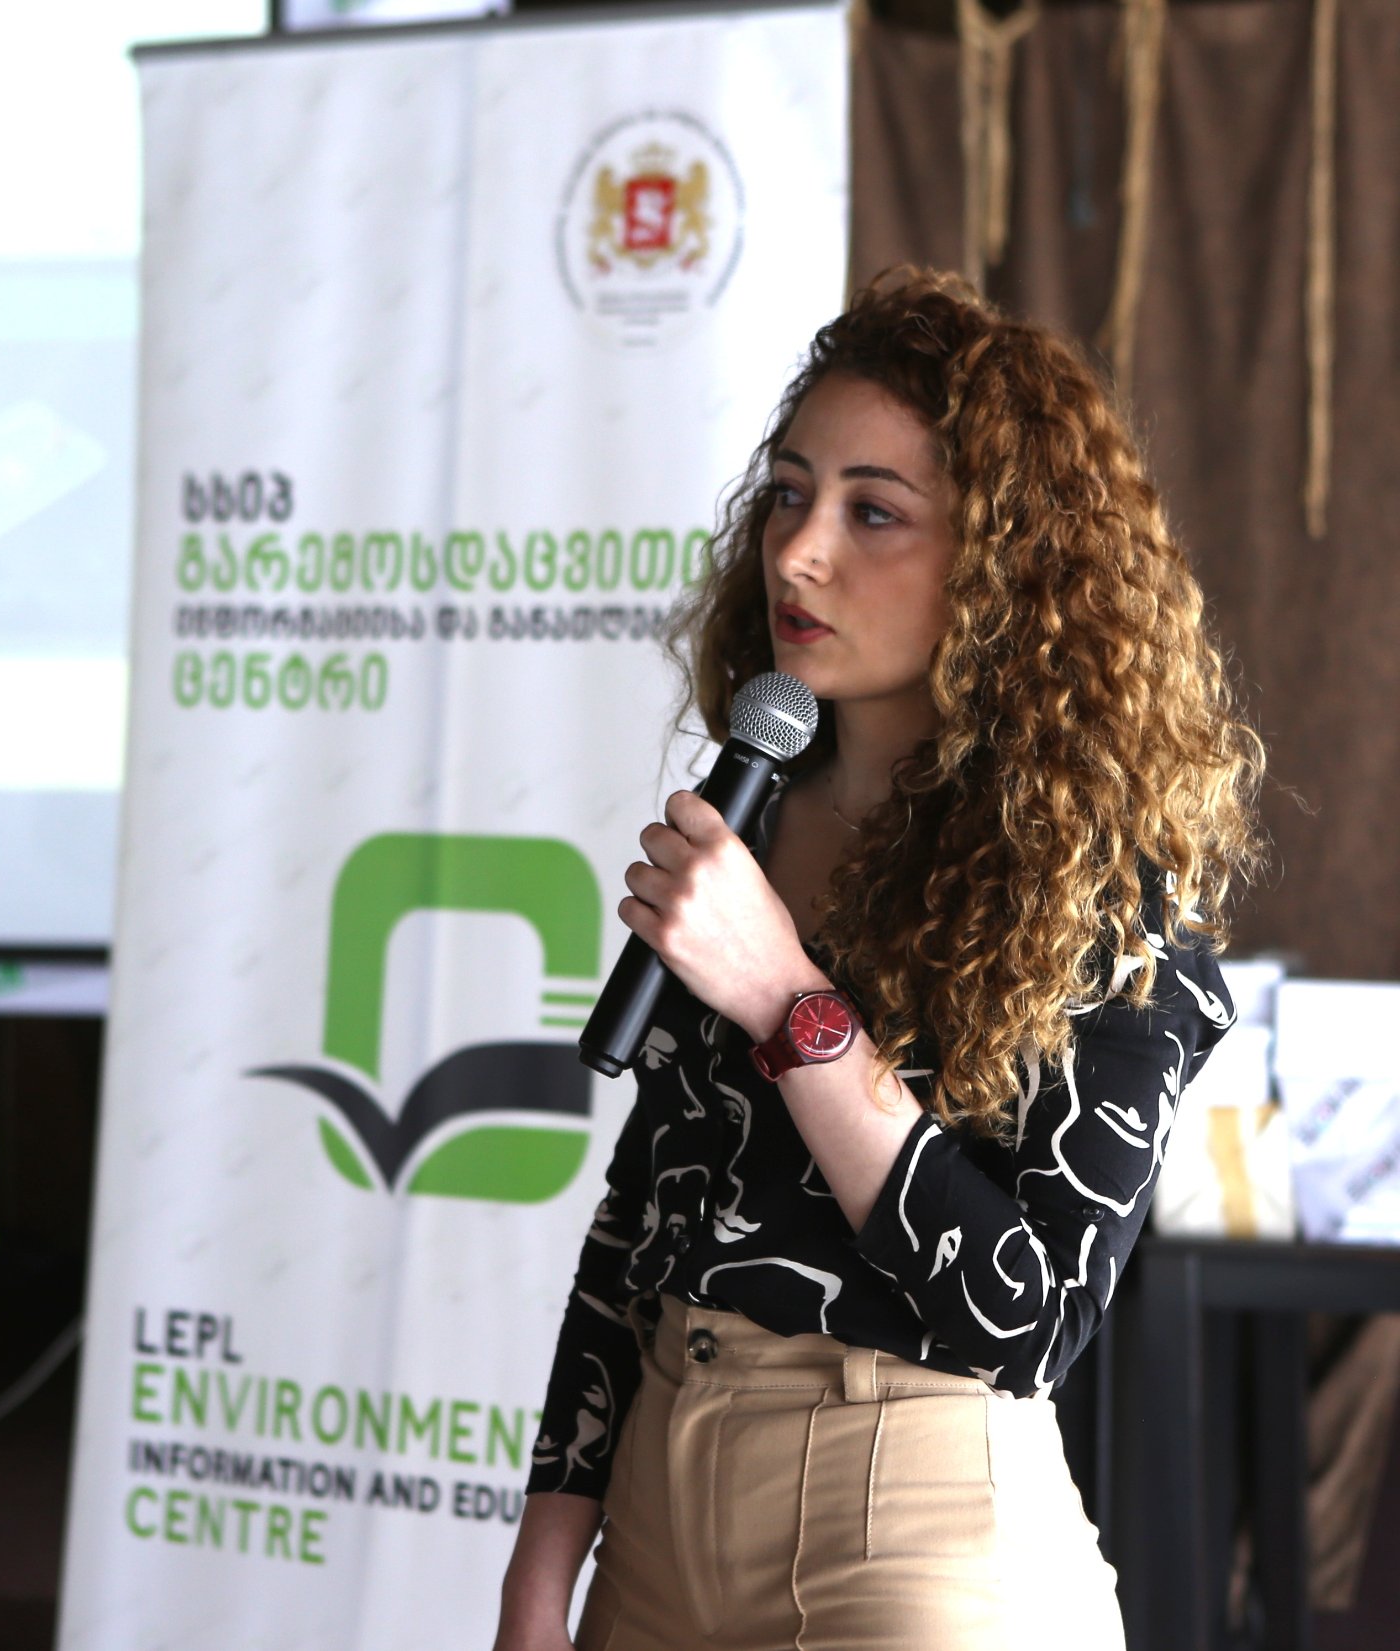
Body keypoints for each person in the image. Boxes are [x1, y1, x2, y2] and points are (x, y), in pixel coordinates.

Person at [493, 268, 1266, 1651]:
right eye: (789, 495)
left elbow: (1027, 1319)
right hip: (660, 1516)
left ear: (1003, 565)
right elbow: (638, 1225)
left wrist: (788, 997)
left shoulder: (1107, 892)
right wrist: (539, 1577)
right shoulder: (750, 817)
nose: (798, 552)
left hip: (904, 1532)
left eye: (873, 512)